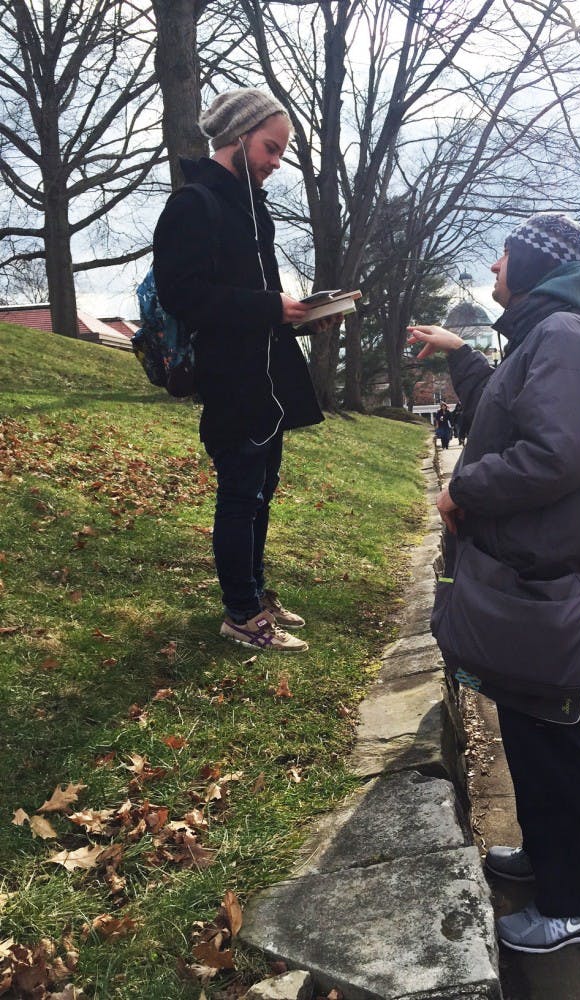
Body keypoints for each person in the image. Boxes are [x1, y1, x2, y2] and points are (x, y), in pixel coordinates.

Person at [407, 212, 580, 954]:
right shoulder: (545, 335)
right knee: (534, 733)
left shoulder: (560, 336)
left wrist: (465, 490)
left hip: (546, 581)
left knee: (553, 745)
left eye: (501, 262)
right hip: (533, 579)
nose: (493, 272)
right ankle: (550, 860)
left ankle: (579, 903)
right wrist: (461, 354)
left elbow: (554, 455)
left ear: (529, 267)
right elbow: (502, 405)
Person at [153, 88, 330, 654]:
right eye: (271, 149)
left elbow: (260, 298)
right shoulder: (194, 204)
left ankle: (254, 594)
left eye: (281, 153)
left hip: (268, 375)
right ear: (236, 137)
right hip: (229, 376)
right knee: (239, 492)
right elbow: (182, 295)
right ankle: (240, 615)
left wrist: (301, 317)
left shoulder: (254, 209)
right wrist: (269, 307)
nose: (276, 164)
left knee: (263, 488)